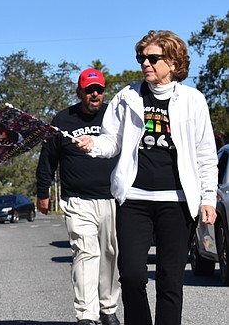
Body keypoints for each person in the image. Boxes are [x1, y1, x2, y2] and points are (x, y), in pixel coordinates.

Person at [75, 31, 217, 325]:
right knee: (132, 274)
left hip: (177, 202)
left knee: (169, 279)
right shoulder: (127, 97)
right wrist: (93, 146)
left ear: (173, 62)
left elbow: (206, 154)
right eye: (142, 58)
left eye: (153, 58)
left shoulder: (193, 100)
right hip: (135, 199)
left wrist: (208, 198)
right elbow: (110, 140)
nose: (145, 64)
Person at [36, 68, 120, 325]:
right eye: (89, 89)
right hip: (78, 200)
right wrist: (43, 192)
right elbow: (47, 159)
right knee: (85, 253)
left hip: (112, 199)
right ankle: (86, 316)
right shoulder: (62, 120)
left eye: (99, 90)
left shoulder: (114, 116)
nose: (95, 94)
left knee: (110, 254)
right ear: (79, 91)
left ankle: (108, 309)